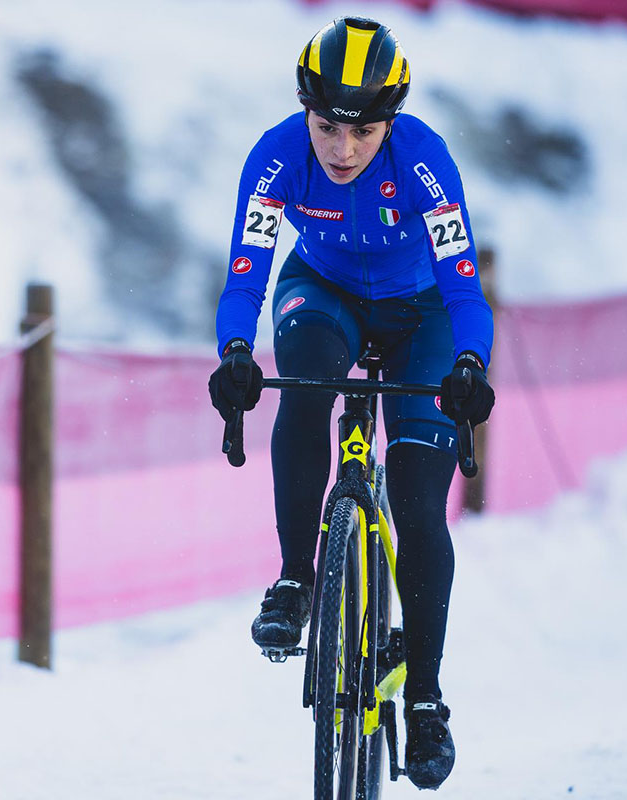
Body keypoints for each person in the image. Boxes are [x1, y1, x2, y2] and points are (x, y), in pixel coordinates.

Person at [208, 16, 495, 791]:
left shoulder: (424, 161)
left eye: (364, 130)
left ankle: (426, 698)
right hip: (324, 293)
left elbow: (465, 289)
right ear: (306, 112)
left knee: (418, 499)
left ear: (390, 122)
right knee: (303, 385)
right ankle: (295, 579)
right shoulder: (276, 157)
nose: (343, 148)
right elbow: (246, 275)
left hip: (423, 315)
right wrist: (235, 352)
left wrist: (468, 364)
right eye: (328, 126)